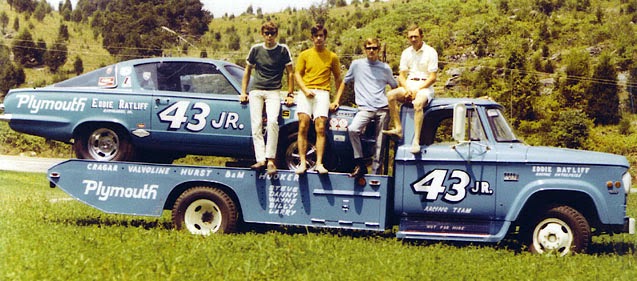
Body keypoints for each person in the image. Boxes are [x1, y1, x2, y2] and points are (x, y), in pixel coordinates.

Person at [331, 38, 397, 178]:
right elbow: (345, 82)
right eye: (368, 48)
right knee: (353, 129)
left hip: (383, 109)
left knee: (380, 144)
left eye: (374, 48)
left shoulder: (385, 68)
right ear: (365, 50)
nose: (371, 51)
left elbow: (394, 87)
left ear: (378, 50)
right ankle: (360, 164)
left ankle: (375, 176)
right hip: (365, 109)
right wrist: (337, 100)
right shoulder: (356, 65)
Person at [240, 21, 294, 176]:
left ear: (276, 34)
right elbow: (247, 71)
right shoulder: (255, 49)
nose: (269, 36)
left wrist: (290, 94)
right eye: (266, 33)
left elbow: (290, 72)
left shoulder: (283, 50)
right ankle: (260, 159)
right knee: (256, 124)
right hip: (256, 90)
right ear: (262, 34)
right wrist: (244, 92)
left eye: (272, 33)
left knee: (272, 122)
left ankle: (271, 160)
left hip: (273, 91)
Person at [293, 24, 342, 174]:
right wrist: (305, 90)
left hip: (322, 93)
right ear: (312, 38)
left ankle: (319, 163)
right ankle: (302, 163)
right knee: (303, 125)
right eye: (316, 36)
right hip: (306, 92)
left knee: (320, 127)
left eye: (321, 36)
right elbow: (297, 74)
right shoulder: (305, 54)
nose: (319, 38)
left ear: (325, 37)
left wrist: (336, 100)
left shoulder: (332, 56)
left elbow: (339, 79)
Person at [382, 24, 438, 154]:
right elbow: (402, 75)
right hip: (409, 84)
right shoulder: (406, 53)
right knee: (391, 95)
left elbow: (433, 78)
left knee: (418, 104)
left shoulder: (431, 52)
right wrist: (406, 88)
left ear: (421, 36)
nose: (413, 39)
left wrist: (417, 90)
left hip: (424, 86)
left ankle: (416, 140)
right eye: (410, 37)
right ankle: (398, 128)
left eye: (415, 36)